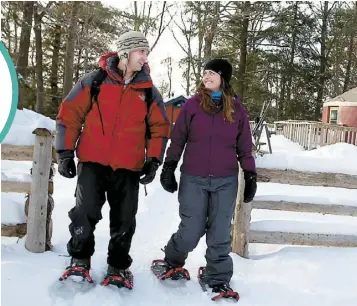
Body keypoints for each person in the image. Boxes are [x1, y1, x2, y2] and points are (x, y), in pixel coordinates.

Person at [55, 30, 170, 289]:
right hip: (92, 161)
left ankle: (118, 266)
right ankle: (79, 259)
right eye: (141, 51)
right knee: (84, 214)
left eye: (146, 52)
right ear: (126, 52)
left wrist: (153, 160)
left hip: (128, 166)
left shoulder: (148, 90)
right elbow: (69, 115)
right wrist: (64, 153)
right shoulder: (94, 81)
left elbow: (159, 127)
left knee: (125, 219)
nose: (145, 57)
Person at [151, 58, 257, 300]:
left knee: (220, 233)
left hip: (225, 180)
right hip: (194, 177)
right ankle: (172, 260)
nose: (206, 76)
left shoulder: (237, 111)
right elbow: (177, 139)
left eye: (212, 73)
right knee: (191, 228)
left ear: (223, 77)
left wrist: (250, 174)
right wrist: (169, 166)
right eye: (205, 72)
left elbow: (245, 148)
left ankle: (217, 277)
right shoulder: (191, 106)